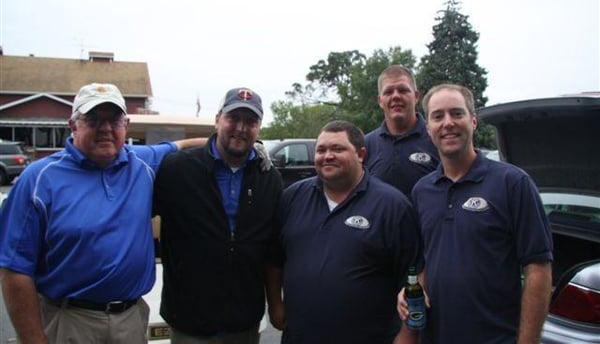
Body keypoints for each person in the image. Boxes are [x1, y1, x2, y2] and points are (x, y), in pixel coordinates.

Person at [0, 83, 210, 344]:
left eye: (114, 120)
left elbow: (182, 146)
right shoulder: (38, 180)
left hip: (130, 321)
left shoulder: (142, 162)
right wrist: (33, 339)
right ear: (73, 125)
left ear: (126, 124)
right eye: (93, 119)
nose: (106, 129)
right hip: (69, 322)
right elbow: (14, 270)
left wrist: (249, 150)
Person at [399, 84, 553, 344]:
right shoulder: (421, 191)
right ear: (428, 129)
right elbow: (427, 260)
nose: (447, 123)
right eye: (438, 116)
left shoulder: (512, 183)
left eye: (456, 113)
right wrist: (411, 291)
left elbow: (538, 268)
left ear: (473, 121)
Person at [267, 120, 420, 344]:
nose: (327, 155)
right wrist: (275, 306)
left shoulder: (392, 206)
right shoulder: (292, 197)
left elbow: (414, 276)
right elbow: (274, 260)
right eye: (321, 150)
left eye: (338, 149)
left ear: (361, 154)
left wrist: (408, 335)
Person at [153, 87, 283, 344]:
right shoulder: (177, 169)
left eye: (251, 121)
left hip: (243, 322)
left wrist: (275, 302)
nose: (241, 128)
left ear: (259, 128)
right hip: (189, 320)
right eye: (233, 118)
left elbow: (273, 249)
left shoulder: (269, 178)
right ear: (217, 120)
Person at [365, 65, 439, 197]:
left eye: (403, 90)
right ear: (380, 101)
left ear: (416, 96)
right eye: (388, 92)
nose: (396, 96)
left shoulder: (437, 138)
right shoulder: (366, 145)